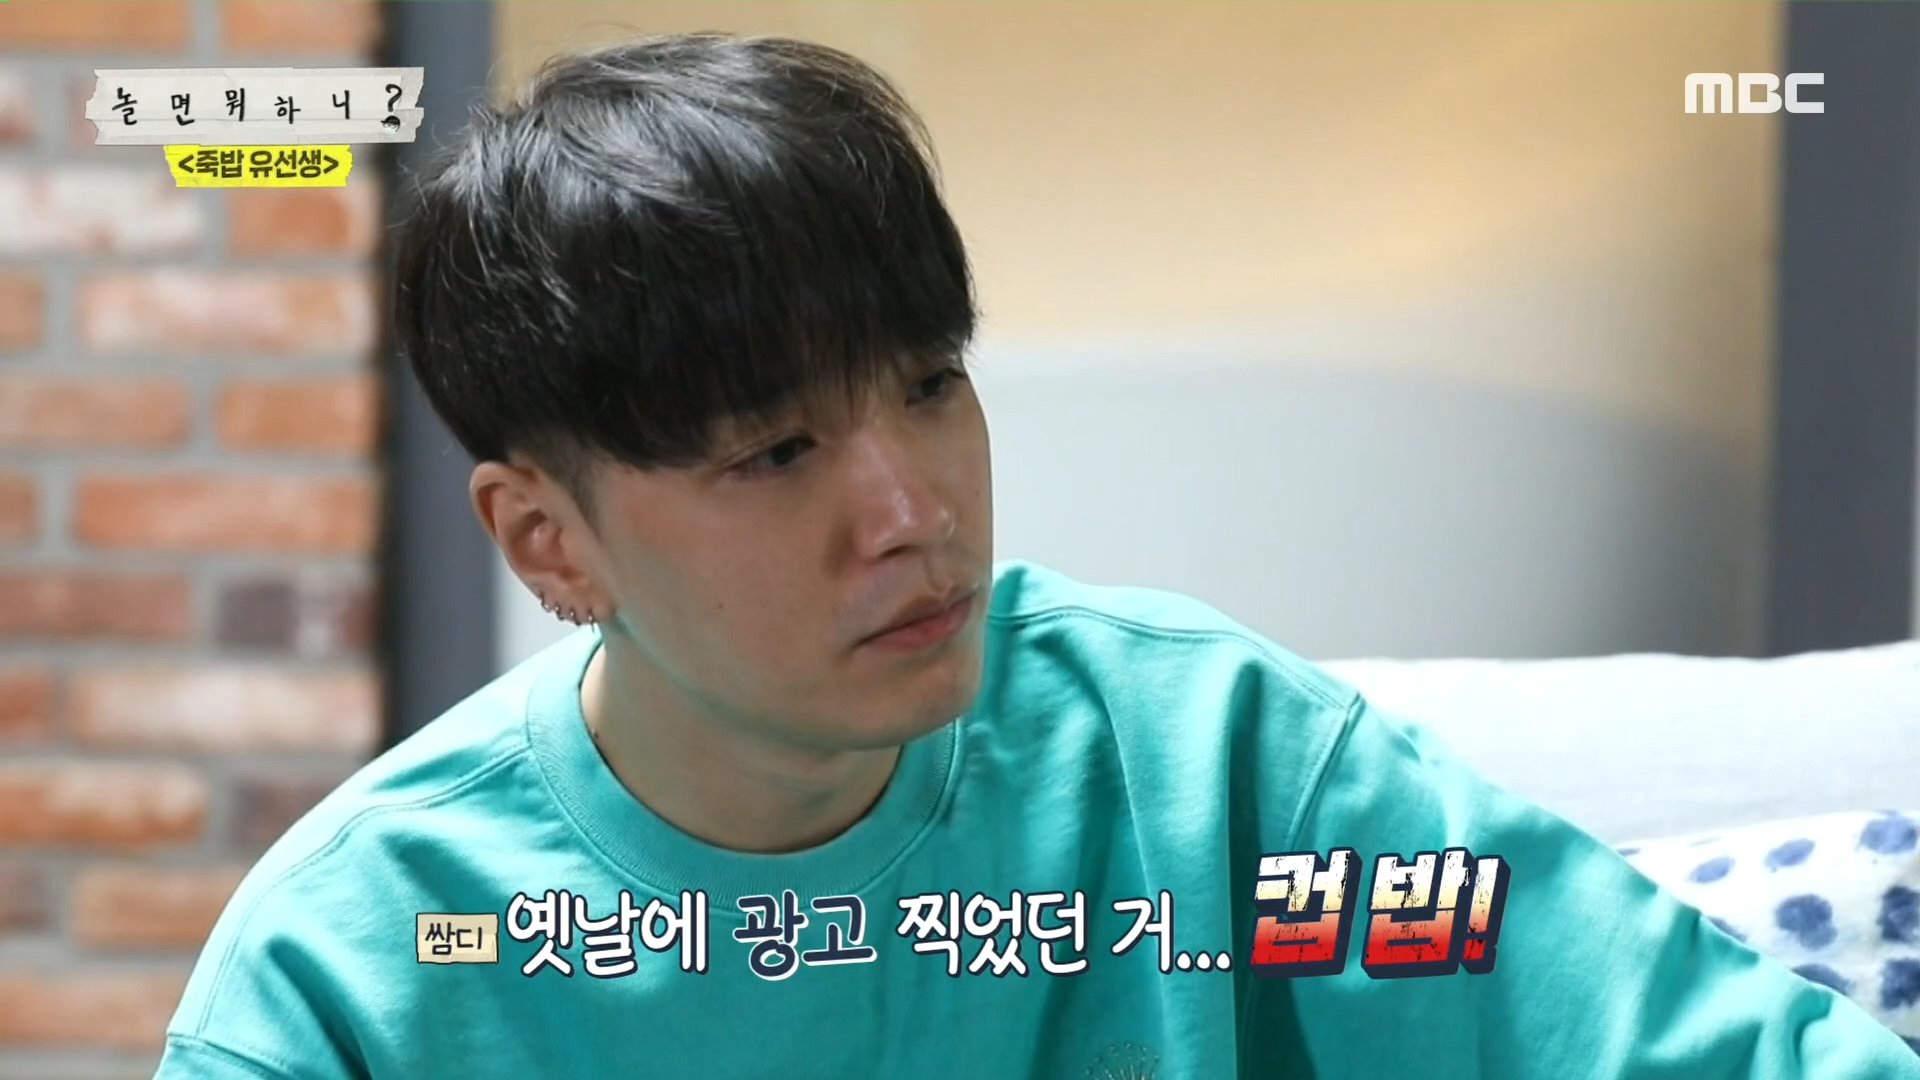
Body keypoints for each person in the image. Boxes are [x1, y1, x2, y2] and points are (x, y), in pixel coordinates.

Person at [156, 33, 1920, 1079]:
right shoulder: (362, 970)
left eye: (932, 386)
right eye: (776, 452)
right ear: (550, 540)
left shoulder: (1208, 775)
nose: (913, 511)